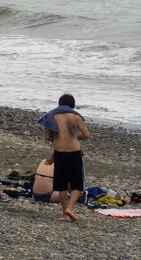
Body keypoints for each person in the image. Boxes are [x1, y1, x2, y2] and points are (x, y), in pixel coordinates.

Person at [39, 93, 90, 222]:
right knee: (77, 185)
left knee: (61, 185)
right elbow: (86, 135)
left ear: (59, 103)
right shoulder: (76, 117)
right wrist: (75, 138)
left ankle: (64, 215)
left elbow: (47, 137)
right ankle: (70, 208)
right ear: (72, 105)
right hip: (74, 152)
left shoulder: (51, 116)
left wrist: (58, 138)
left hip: (59, 153)